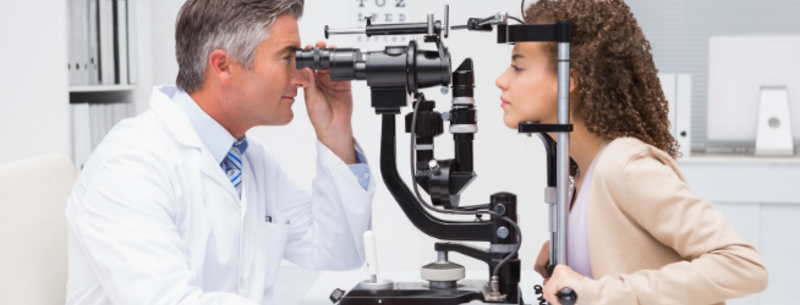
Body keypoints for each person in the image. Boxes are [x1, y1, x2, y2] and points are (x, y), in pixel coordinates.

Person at [64, 0, 375, 304]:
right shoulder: (129, 167)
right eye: (287, 58)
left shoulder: (252, 162)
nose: (304, 76)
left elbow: (340, 248)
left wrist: (335, 129)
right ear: (223, 66)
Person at [495, 0, 768, 304]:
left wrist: (595, 291)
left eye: (518, 66)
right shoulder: (583, 173)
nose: (501, 80)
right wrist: (571, 255)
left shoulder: (624, 165)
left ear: (569, 80)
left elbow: (743, 265)